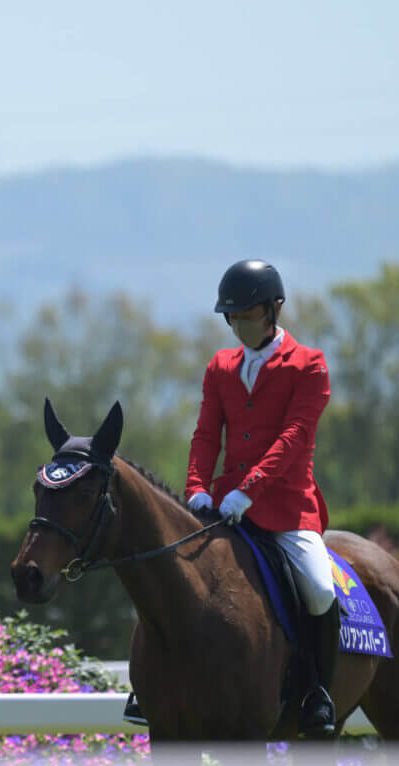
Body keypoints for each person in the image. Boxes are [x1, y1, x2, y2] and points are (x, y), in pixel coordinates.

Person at [123, 259, 339, 738]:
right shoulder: (221, 367)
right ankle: (150, 686)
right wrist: (197, 488)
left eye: (245, 315)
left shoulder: (309, 365)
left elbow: (295, 437)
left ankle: (317, 692)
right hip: (222, 508)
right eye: (231, 317)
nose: (237, 325)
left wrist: (250, 489)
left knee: (320, 589)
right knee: (173, 578)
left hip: (284, 508)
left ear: (273, 310)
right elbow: (205, 435)